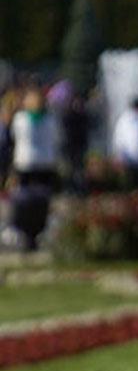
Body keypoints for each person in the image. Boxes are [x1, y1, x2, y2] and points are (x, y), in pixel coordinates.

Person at [8, 90, 60, 251]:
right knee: (43, 200)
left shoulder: (20, 119)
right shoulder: (50, 120)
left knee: (23, 200)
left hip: (25, 162)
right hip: (45, 162)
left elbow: (13, 136)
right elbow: (56, 138)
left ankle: (25, 231)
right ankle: (39, 229)